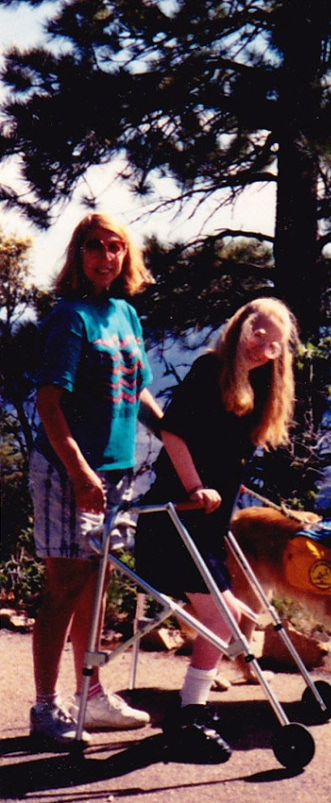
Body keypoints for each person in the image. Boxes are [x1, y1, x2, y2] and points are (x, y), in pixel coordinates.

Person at [135, 297, 300, 762]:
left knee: (232, 615)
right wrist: (197, 486)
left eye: (274, 344)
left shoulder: (261, 381)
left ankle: (192, 707)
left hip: (205, 531)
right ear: (239, 328)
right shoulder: (211, 369)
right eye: (257, 334)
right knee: (222, 616)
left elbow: (224, 445)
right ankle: (188, 713)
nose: (263, 348)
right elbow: (174, 433)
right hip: (174, 520)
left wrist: (229, 478)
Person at [29, 212, 164, 749]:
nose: (105, 256)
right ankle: (45, 707)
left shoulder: (127, 313)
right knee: (63, 586)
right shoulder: (71, 317)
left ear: (126, 256)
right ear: (77, 255)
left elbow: (140, 393)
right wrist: (80, 471)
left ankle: (92, 695)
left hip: (116, 471)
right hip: (71, 472)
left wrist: (179, 437)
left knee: (97, 583)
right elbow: (48, 402)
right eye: (93, 247)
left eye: (115, 247)